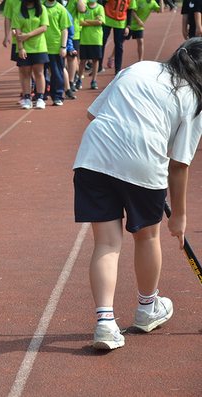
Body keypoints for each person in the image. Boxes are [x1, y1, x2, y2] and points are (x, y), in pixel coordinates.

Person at [73, 38, 202, 350]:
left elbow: (93, 114)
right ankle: (147, 309)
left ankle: (105, 323)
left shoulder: (137, 68)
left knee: (106, 242)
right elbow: (179, 165)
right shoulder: (195, 99)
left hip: (93, 157)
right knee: (146, 238)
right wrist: (180, 217)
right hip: (143, 164)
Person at [12, 0, 49, 109]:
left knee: (39, 73)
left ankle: (40, 98)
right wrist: (21, 48)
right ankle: (27, 98)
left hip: (39, 46)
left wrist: (28, 35)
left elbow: (44, 27)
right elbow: (18, 31)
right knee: (26, 73)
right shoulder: (18, 10)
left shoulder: (42, 9)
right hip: (25, 47)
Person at [43, 0, 70, 106]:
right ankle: (41, 95)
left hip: (55, 46)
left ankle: (58, 96)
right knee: (40, 73)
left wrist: (63, 47)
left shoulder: (61, 9)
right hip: (41, 46)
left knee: (57, 73)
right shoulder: (40, 7)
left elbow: (65, 29)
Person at [99, 0, 136, 75]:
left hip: (120, 22)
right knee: (101, 43)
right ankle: (99, 66)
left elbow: (130, 10)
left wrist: (128, 26)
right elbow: (102, 2)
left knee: (119, 46)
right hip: (107, 19)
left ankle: (118, 69)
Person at [77, 0, 104, 90]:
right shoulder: (84, 7)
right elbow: (80, 22)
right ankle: (79, 79)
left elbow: (100, 22)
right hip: (85, 39)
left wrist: (87, 20)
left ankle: (94, 80)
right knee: (82, 61)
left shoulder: (100, 8)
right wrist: (94, 21)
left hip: (96, 39)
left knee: (95, 60)